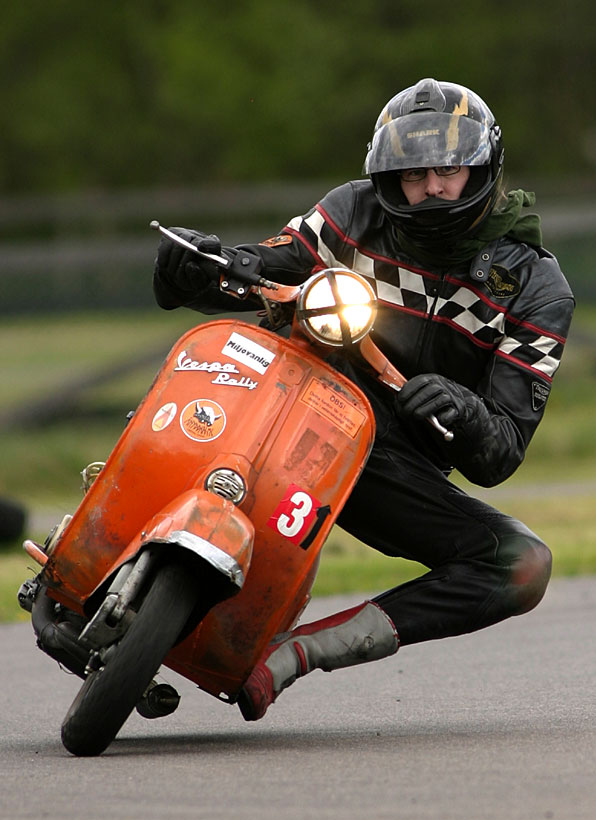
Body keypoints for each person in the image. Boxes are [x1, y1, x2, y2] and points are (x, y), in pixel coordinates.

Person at [153, 78, 574, 722]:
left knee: (523, 564)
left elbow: (501, 455)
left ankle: (299, 653)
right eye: (413, 174)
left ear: (482, 168)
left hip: (386, 466)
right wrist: (199, 266)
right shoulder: (351, 212)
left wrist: (463, 408)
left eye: (447, 171)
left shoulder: (537, 286)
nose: (431, 189)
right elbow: (267, 268)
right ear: (388, 177)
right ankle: (92, 542)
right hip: (283, 405)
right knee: (204, 374)